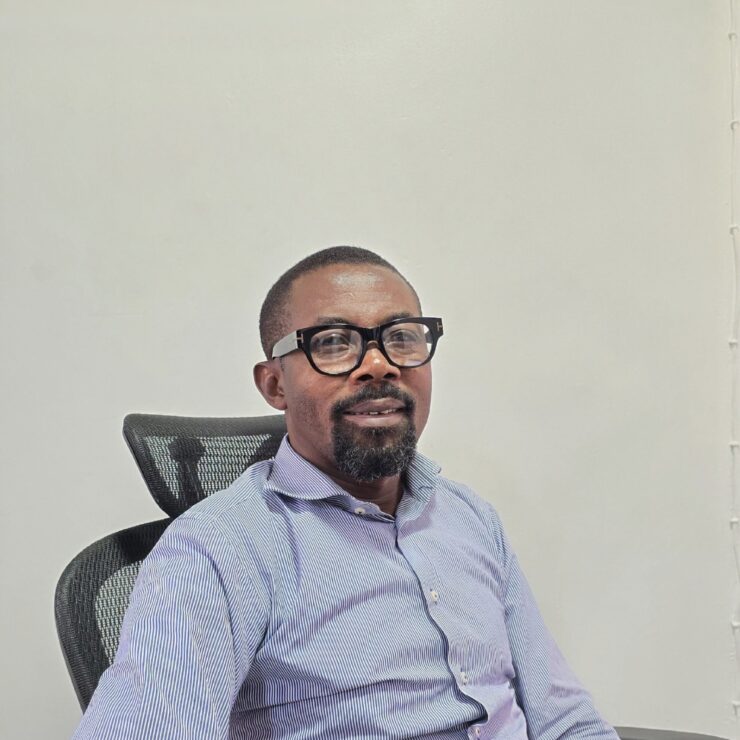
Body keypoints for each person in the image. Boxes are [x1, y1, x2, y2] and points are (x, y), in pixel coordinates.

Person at [73, 246, 618, 739]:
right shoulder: (218, 550)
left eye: (402, 337)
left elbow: (563, 718)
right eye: (333, 343)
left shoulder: (470, 517)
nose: (379, 364)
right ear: (275, 384)